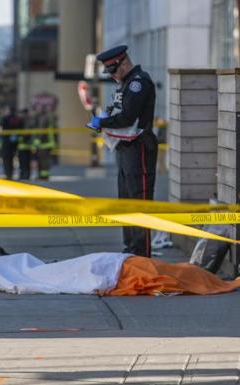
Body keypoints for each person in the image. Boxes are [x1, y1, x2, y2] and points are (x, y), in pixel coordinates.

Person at [90, 45, 158, 258]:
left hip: (139, 148)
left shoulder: (138, 83)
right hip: (125, 149)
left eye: (112, 71)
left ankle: (141, 255)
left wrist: (103, 121)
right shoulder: (126, 84)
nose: (111, 76)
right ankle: (131, 250)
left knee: (139, 200)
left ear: (123, 63)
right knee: (126, 201)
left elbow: (128, 117)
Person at [0, 106, 23, 180]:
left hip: (6, 142)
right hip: (15, 142)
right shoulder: (18, 119)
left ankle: (8, 174)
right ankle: (12, 173)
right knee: (14, 158)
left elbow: (2, 127)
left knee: (7, 159)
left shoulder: (5, 118)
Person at [17, 108, 33, 180]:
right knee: (26, 162)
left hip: (24, 145)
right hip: (27, 146)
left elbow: (26, 134)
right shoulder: (30, 120)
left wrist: (21, 138)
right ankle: (26, 175)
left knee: (24, 162)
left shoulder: (24, 121)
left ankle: (24, 175)